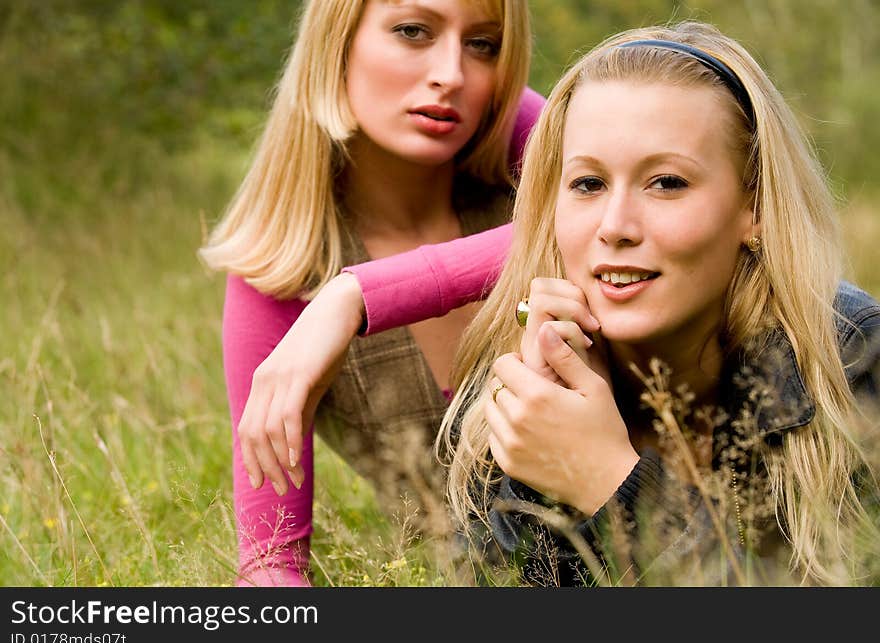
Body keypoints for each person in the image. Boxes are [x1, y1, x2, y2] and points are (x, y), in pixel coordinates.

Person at [259, 21, 880, 586]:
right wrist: (543, 482)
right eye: (587, 183)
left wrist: (609, 480)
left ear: (755, 209)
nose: (615, 225)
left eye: (667, 182)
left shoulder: (850, 360)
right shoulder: (518, 389)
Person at [198, 0, 540, 586]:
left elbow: (599, 227)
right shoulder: (281, 269)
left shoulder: (529, 151)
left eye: (483, 44)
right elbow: (270, 561)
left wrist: (356, 296)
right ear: (337, 44)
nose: (452, 74)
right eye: (413, 32)